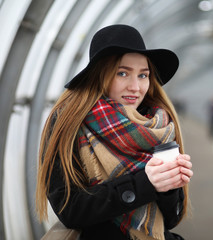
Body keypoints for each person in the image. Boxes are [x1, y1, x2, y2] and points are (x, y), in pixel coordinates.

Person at [36, 24, 193, 240]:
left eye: (143, 75)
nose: (135, 87)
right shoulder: (69, 122)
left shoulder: (159, 124)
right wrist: (147, 183)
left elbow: (172, 218)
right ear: (99, 75)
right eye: (122, 73)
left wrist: (169, 184)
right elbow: (70, 209)